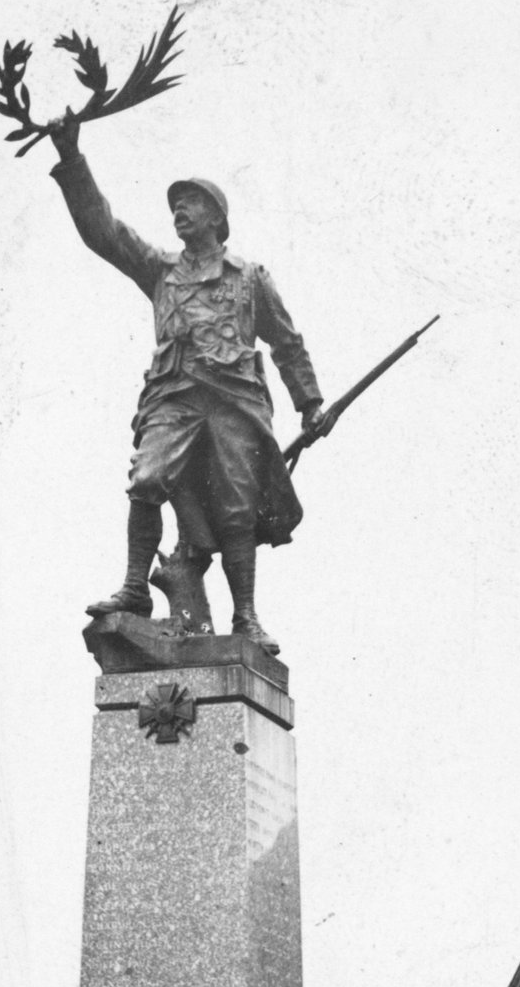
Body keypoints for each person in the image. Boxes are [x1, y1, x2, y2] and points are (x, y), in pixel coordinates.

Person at [48, 112, 323, 653]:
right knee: (146, 479)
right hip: (173, 397)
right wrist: (71, 157)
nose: (178, 209)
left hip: (234, 403)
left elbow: (287, 343)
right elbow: (105, 233)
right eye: (175, 203)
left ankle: (245, 617)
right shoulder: (160, 270)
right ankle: (135, 588)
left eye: (190, 202)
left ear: (217, 217)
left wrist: (309, 402)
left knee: (238, 510)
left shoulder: (249, 278)